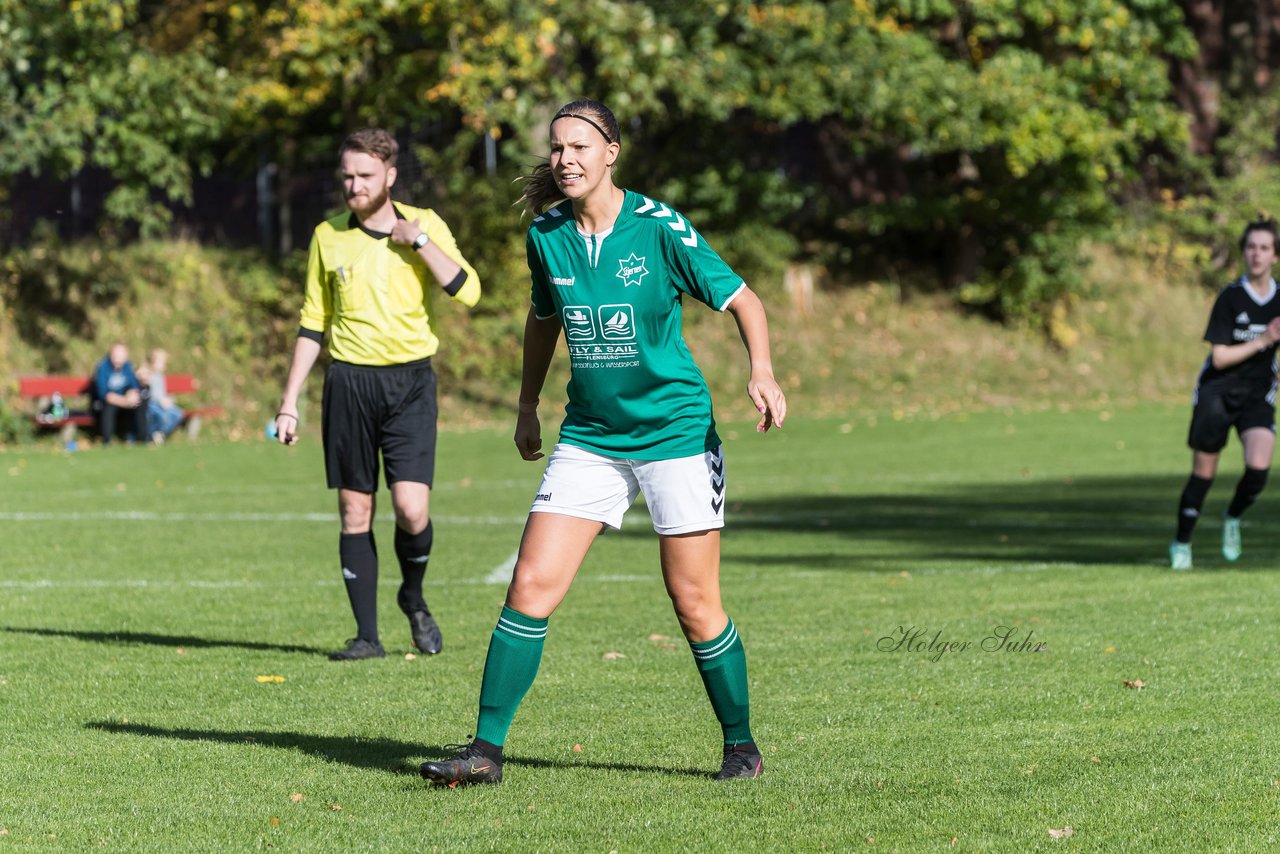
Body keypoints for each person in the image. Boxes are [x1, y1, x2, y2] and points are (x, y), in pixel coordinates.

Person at [420, 99, 787, 786]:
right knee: (529, 585)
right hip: (589, 436)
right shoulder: (546, 234)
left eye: (581, 147)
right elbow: (542, 321)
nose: (566, 159)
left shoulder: (659, 228)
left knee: (694, 602)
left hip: (675, 433)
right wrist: (527, 404)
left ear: (611, 152)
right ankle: (485, 753)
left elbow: (744, 300)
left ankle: (741, 746)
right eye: (558, 148)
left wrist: (760, 371)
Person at [275, 128, 482, 659]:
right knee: (354, 510)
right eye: (346, 175)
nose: (353, 185)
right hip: (348, 381)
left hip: (411, 382)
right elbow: (311, 322)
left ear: (389, 175)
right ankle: (367, 637)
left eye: (365, 175)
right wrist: (289, 401)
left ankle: (412, 597)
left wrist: (418, 241)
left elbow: (468, 291)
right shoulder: (328, 235)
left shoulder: (425, 225)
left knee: (412, 510)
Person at [1170, 216, 1280, 569]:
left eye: (1264, 248)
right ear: (1243, 253)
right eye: (1251, 247)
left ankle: (1232, 516)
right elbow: (1219, 357)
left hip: (1258, 394)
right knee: (1204, 474)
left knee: (1259, 468)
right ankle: (1182, 542)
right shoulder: (1230, 297)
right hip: (1218, 391)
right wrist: (1263, 340)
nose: (1257, 255)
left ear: (1275, 255)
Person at [91, 343, 148, 445]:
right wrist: (125, 402)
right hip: (106, 403)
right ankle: (106, 441)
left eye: (121, 357)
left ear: (126, 357)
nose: (118, 360)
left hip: (124, 401)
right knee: (109, 407)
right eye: (115, 356)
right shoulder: (103, 367)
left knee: (141, 402)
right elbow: (105, 395)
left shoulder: (127, 366)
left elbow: (133, 386)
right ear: (110, 355)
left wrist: (132, 395)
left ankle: (142, 439)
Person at [141, 349, 184, 444]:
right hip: (152, 404)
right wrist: (160, 400)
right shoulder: (148, 375)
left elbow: (163, 392)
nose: (164, 364)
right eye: (161, 362)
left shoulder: (160, 376)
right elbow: (148, 393)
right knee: (161, 415)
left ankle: (160, 433)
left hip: (163, 404)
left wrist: (170, 400)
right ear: (153, 362)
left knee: (178, 414)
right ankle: (150, 434)